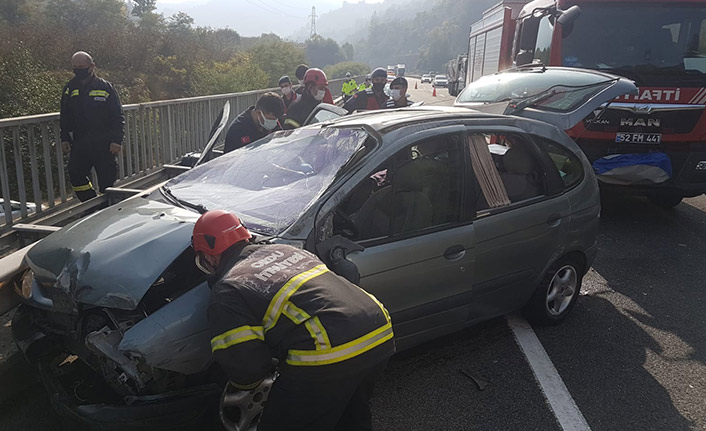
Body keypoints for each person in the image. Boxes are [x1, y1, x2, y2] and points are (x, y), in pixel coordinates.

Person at [193, 210, 394, 431]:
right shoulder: (287, 250)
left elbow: (248, 370)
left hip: (328, 354)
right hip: (378, 330)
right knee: (351, 416)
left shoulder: (228, 288)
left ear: (210, 256)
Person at [60, 51, 124, 201]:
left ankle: (105, 209)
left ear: (92, 66)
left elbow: (117, 115)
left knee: (107, 181)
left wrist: (117, 140)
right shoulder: (69, 88)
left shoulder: (105, 87)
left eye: (81, 66)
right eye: (75, 67)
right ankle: (91, 204)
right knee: (76, 175)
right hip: (80, 143)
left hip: (104, 144)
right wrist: (64, 138)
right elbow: (65, 116)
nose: (78, 70)